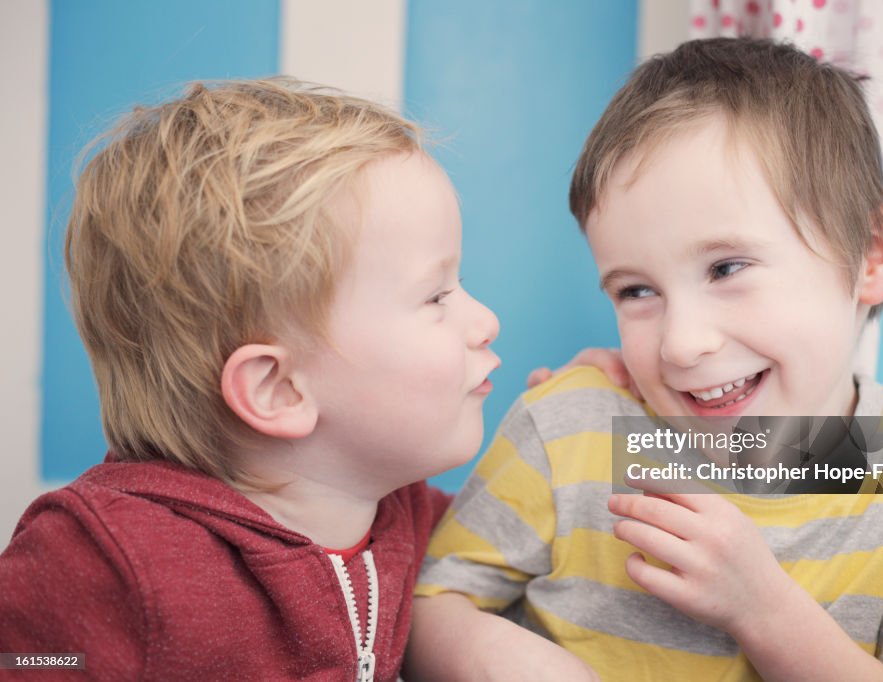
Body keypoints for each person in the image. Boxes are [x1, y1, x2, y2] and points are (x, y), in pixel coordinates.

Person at [408, 39, 883, 681]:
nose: (680, 344)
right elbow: (423, 612)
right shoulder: (573, 427)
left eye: (727, 268)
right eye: (636, 291)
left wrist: (766, 612)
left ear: (873, 255)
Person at [0, 79, 527, 681]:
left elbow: (588, 492)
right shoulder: (101, 559)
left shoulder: (408, 517)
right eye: (436, 295)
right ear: (278, 389)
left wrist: (614, 402)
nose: (486, 321)